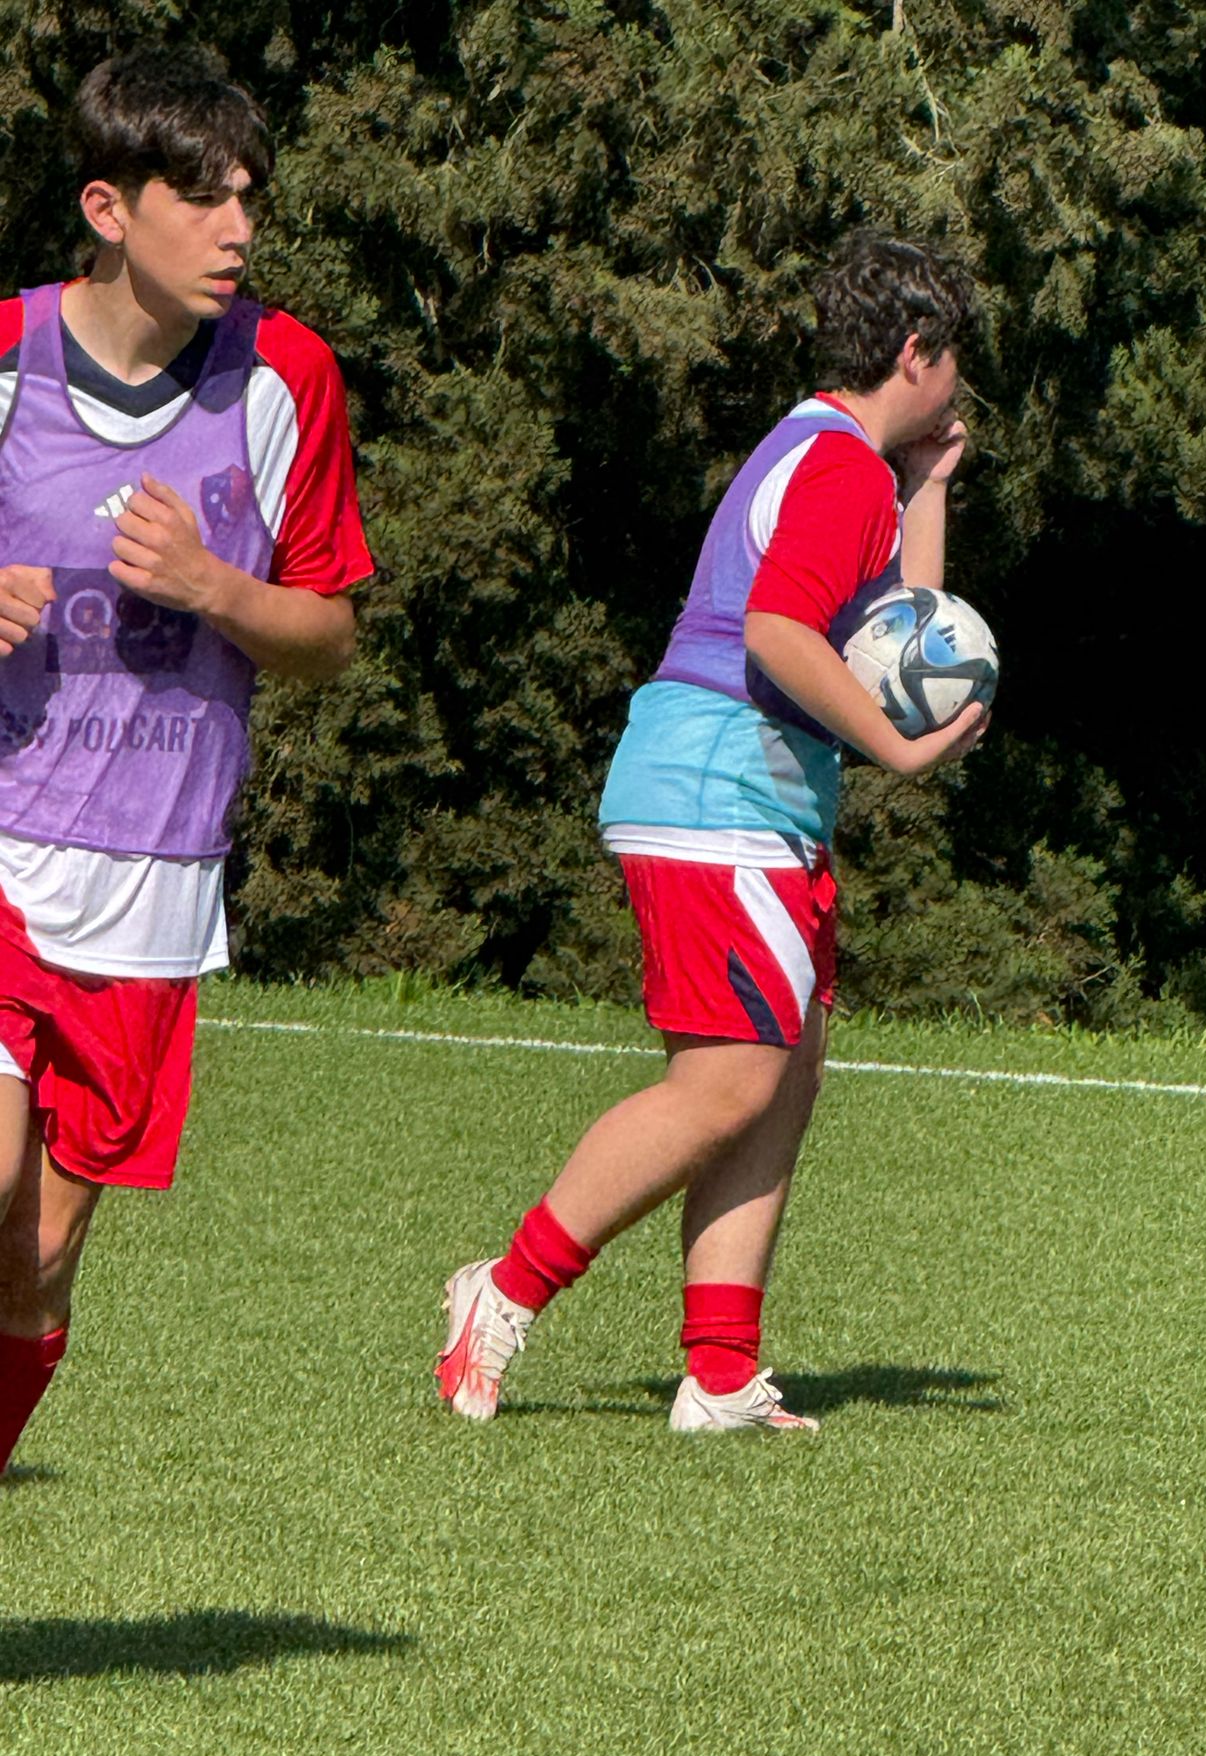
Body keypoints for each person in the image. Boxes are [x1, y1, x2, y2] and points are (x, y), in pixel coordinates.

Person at [436, 231, 986, 1433]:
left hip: (743, 799)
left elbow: (899, 630)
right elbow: (780, 634)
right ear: (914, 353)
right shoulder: (838, 469)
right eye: (956, 360)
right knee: (729, 1079)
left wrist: (933, 486)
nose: (963, 385)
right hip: (716, 794)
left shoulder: (837, 456)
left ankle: (723, 1372)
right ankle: (503, 1291)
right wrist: (899, 753)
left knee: (781, 1076)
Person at [0, 45, 372, 1477]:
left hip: (154, 887)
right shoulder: (8, 358)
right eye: (204, 199)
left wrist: (217, 588)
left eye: (249, 200)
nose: (239, 230)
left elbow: (328, 634)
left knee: (36, 1260)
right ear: (108, 207)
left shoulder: (287, 375)